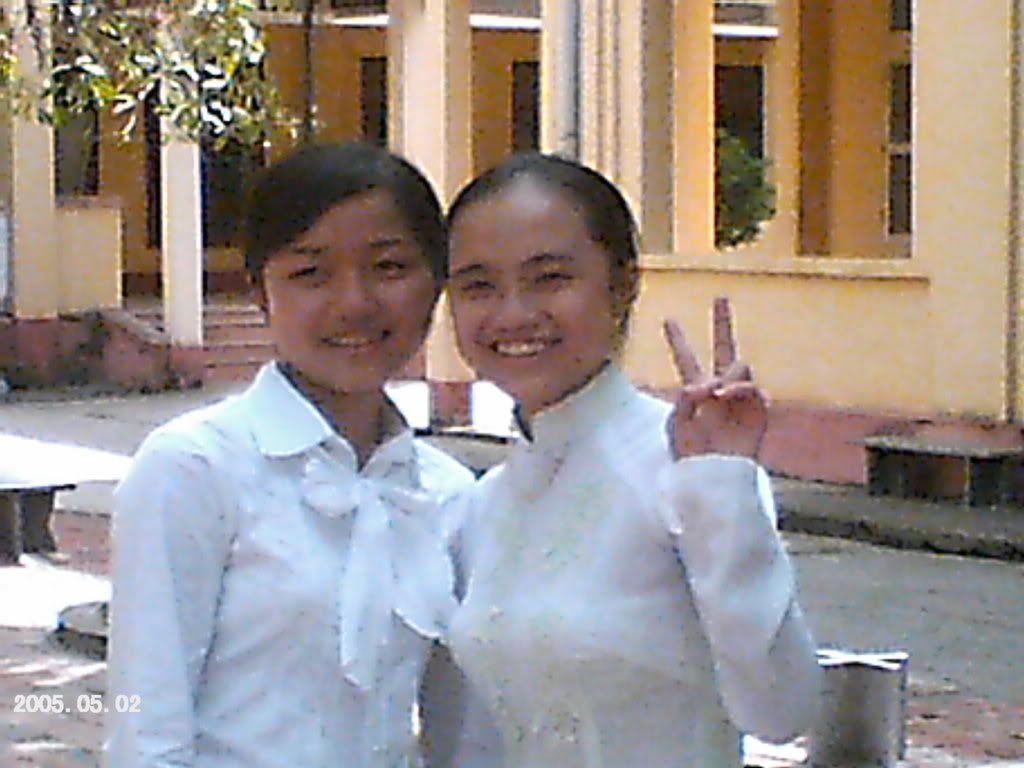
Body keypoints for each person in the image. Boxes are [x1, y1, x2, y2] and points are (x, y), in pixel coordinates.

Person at [434, 152, 821, 767]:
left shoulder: (686, 468)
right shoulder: (482, 505)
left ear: (622, 285)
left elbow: (780, 710)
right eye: (479, 286)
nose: (513, 314)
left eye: (550, 278)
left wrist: (723, 488)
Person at [106, 142, 475, 768]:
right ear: (260, 292)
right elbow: (145, 728)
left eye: (389, 267)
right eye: (310, 273)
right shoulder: (194, 468)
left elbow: (459, 735)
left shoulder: (451, 495)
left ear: (435, 285)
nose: (353, 303)